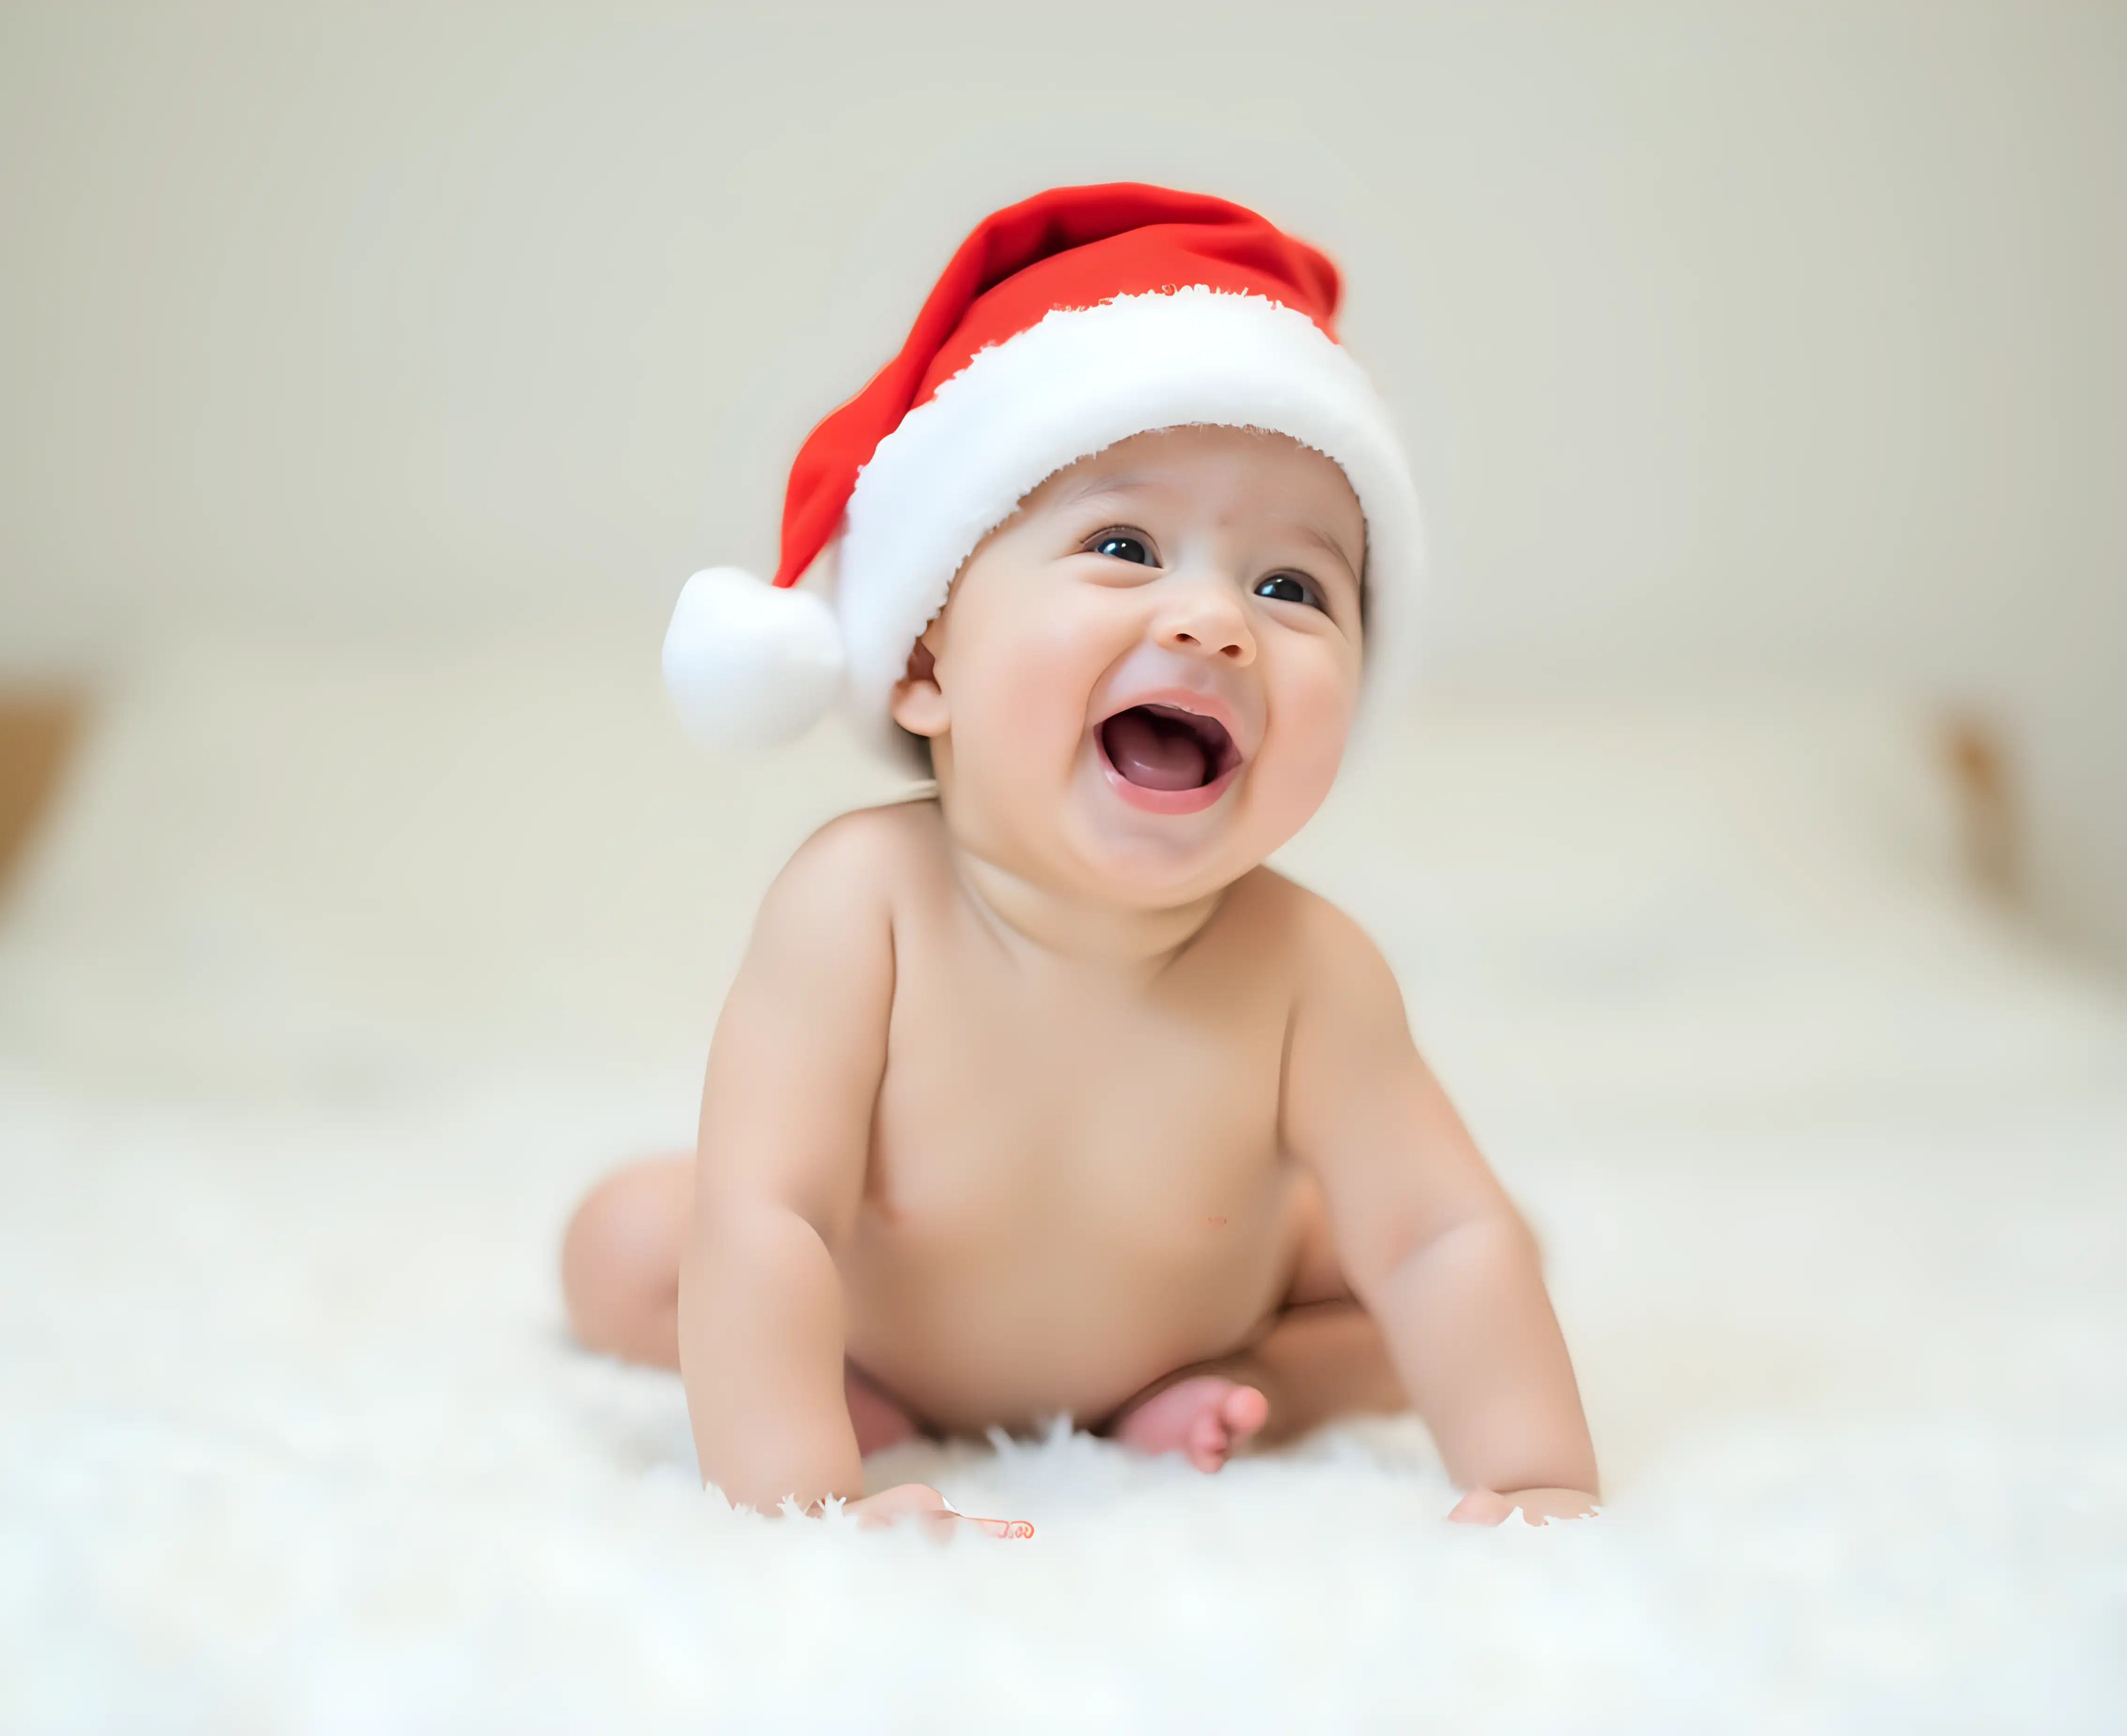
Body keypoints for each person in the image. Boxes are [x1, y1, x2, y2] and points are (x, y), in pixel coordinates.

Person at [563, 185, 1598, 1533]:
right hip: (875, 1321)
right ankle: (863, 1393)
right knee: (633, 1241)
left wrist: (1533, 1482)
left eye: (1295, 587)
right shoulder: (858, 905)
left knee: (1485, 1251)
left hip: (1188, 1324)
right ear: (926, 662)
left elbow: (1441, 1243)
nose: (1217, 619)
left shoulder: (1308, 968)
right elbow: (771, 1217)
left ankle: (1254, 1385)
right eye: (1124, 547)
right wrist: (807, 1498)